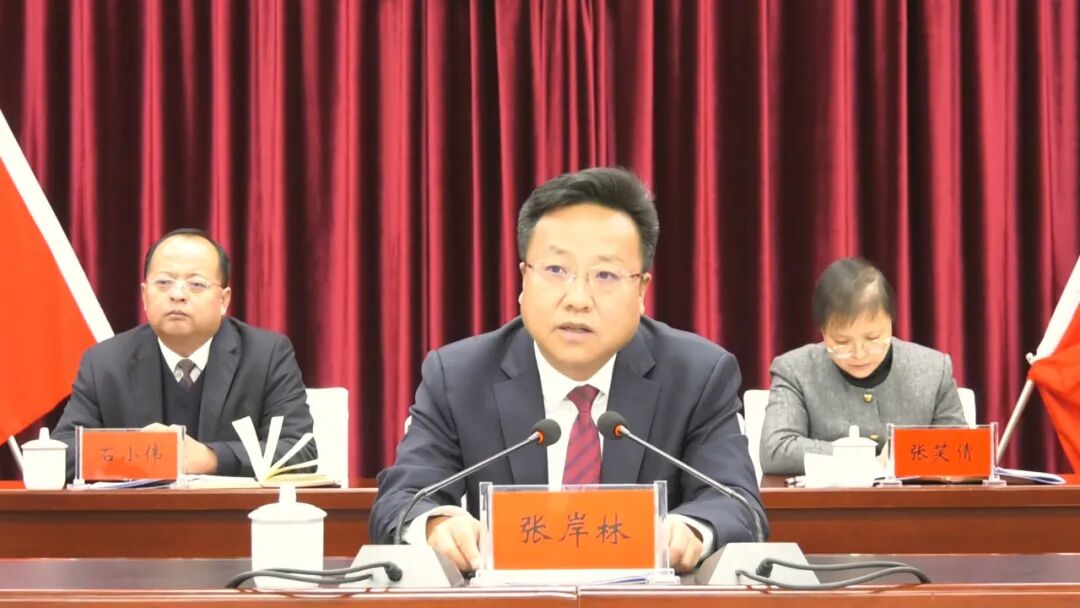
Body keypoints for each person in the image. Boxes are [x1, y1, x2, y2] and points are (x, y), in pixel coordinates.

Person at [371, 167, 765, 574]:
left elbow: (737, 503)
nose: (578, 299)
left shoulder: (698, 376)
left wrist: (692, 530)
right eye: (556, 270)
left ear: (641, 290)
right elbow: (401, 500)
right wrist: (435, 525)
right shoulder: (458, 377)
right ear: (524, 279)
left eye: (605, 275)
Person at [54, 228, 317, 480]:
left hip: (232, 511)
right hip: (137, 511)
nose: (177, 295)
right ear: (144, 295)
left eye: (196, 284)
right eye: (164, 283)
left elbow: (299, 453)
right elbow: (63, 454)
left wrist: (210, 458)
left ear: (224, 300)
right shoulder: (104, 362)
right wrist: (145, 454)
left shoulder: (266, 355)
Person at [759, 257, 968, 475]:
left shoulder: (933, 370)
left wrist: (905, 452)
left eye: (872, 338)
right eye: (842, 342)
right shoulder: (794, 370)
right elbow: (775, 450)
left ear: (891, 322)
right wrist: (862, 458)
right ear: (823, 332)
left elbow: (963, 451)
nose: (859, 354)